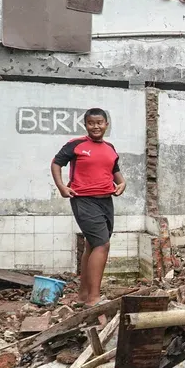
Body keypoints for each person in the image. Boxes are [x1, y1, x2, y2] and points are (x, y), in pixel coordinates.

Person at [50, 109, 126, 305]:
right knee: (102, 244)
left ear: (106, 124)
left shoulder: (110, 147)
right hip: (84, 199)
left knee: (93, 244)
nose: (96, 126)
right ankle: (93, 298)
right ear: (86, 125)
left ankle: (83, 295)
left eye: (99, 122)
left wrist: (122, 183)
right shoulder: (76, 145)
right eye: (91, 123)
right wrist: (61, 186)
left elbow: (114, 170)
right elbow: (56, 163)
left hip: (105, 201)